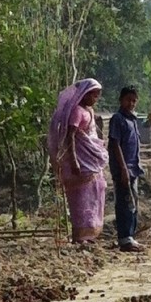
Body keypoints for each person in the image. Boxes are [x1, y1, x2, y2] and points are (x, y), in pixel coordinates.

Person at [47, 78, 109, 244]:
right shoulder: (77, 112)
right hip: (81, 160)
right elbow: (71, 136)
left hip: (91, 159)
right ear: (85, 94)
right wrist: (74, 160)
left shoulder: (89, 111)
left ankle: (90, 233)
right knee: (80, 198)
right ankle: (79, 235)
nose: (95, 99)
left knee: (95, 192)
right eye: (93, 95)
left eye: (97, 96)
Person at [107, 86, 145, 252]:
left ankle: (131, 237)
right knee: (125, 203)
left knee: (133, 202)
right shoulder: (118, 119)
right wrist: (122, 168)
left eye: (134, 100)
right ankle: (124, 239)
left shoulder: (133, 120)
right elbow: (115, 145)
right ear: (121, 100)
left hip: (133, 168)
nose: (131, 103)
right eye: (128, 100)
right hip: (124, 169)